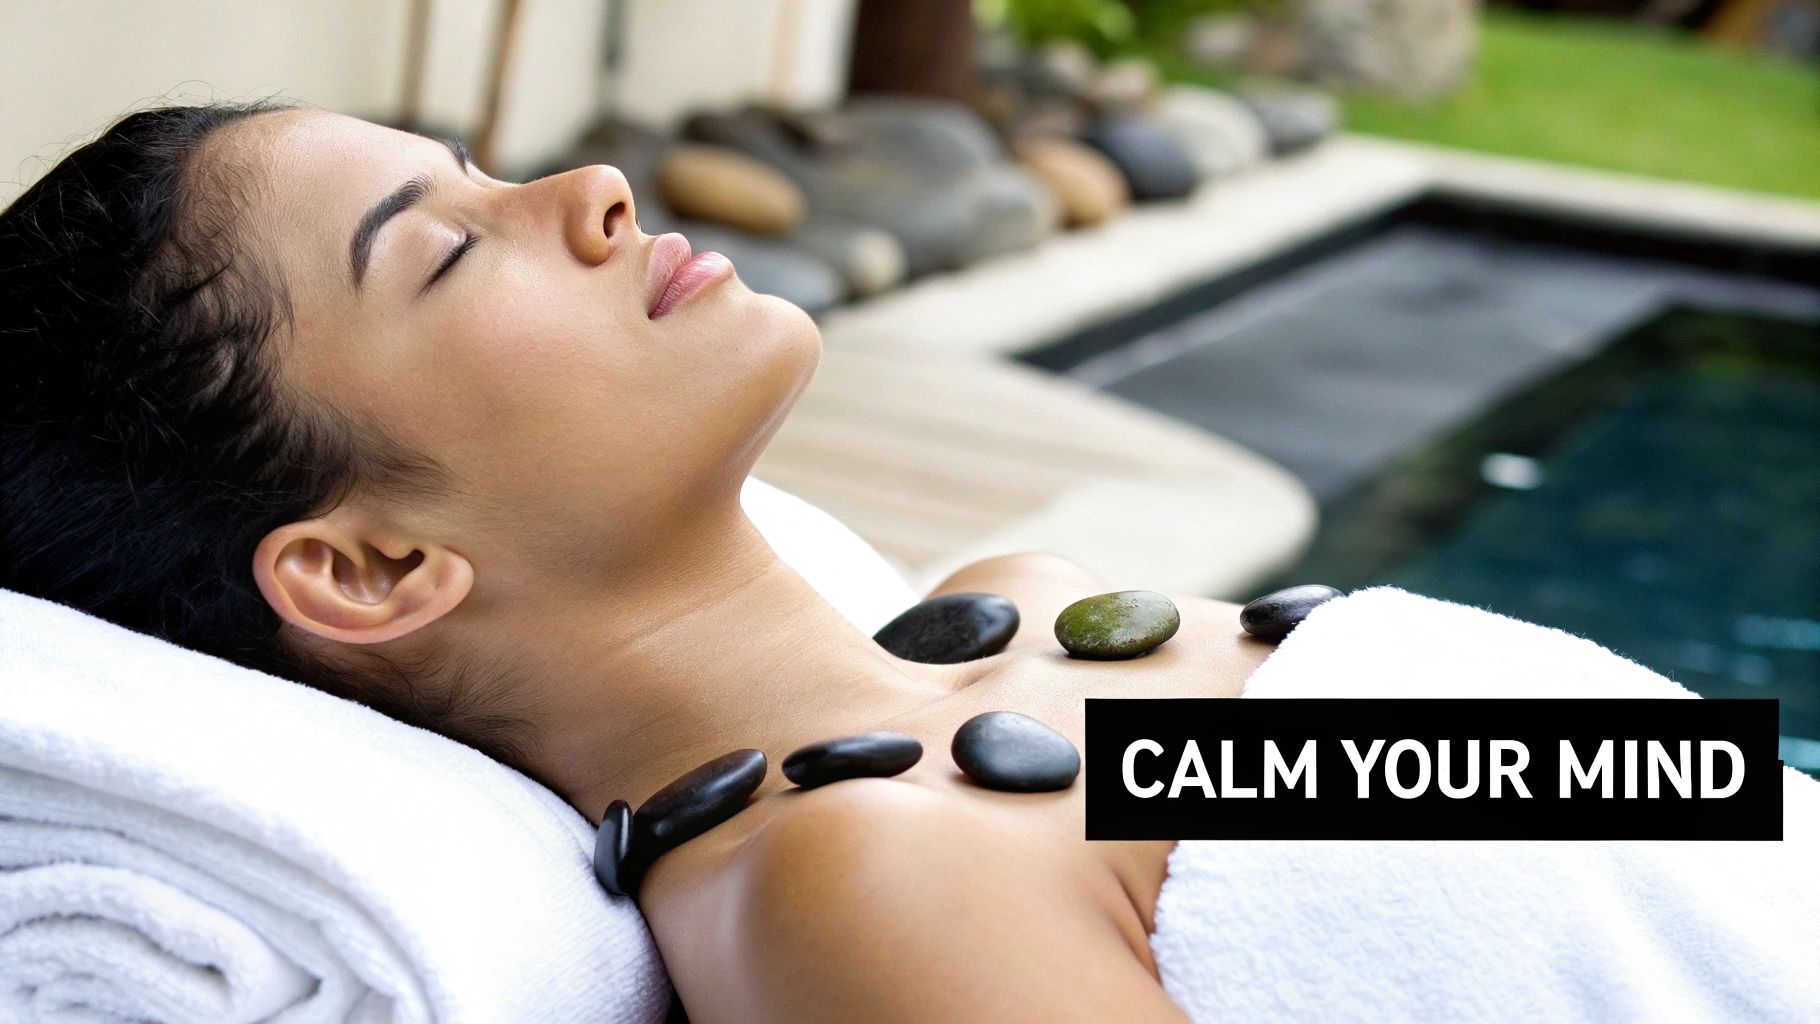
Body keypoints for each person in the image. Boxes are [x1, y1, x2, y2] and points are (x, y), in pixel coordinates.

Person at [3, 104, 1814, 1023]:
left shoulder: (1020, 627)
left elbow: (1670, 838)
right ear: (376, 566)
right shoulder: (856, 891)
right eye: (450, 251)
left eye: (489, 168)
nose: (595, 190)